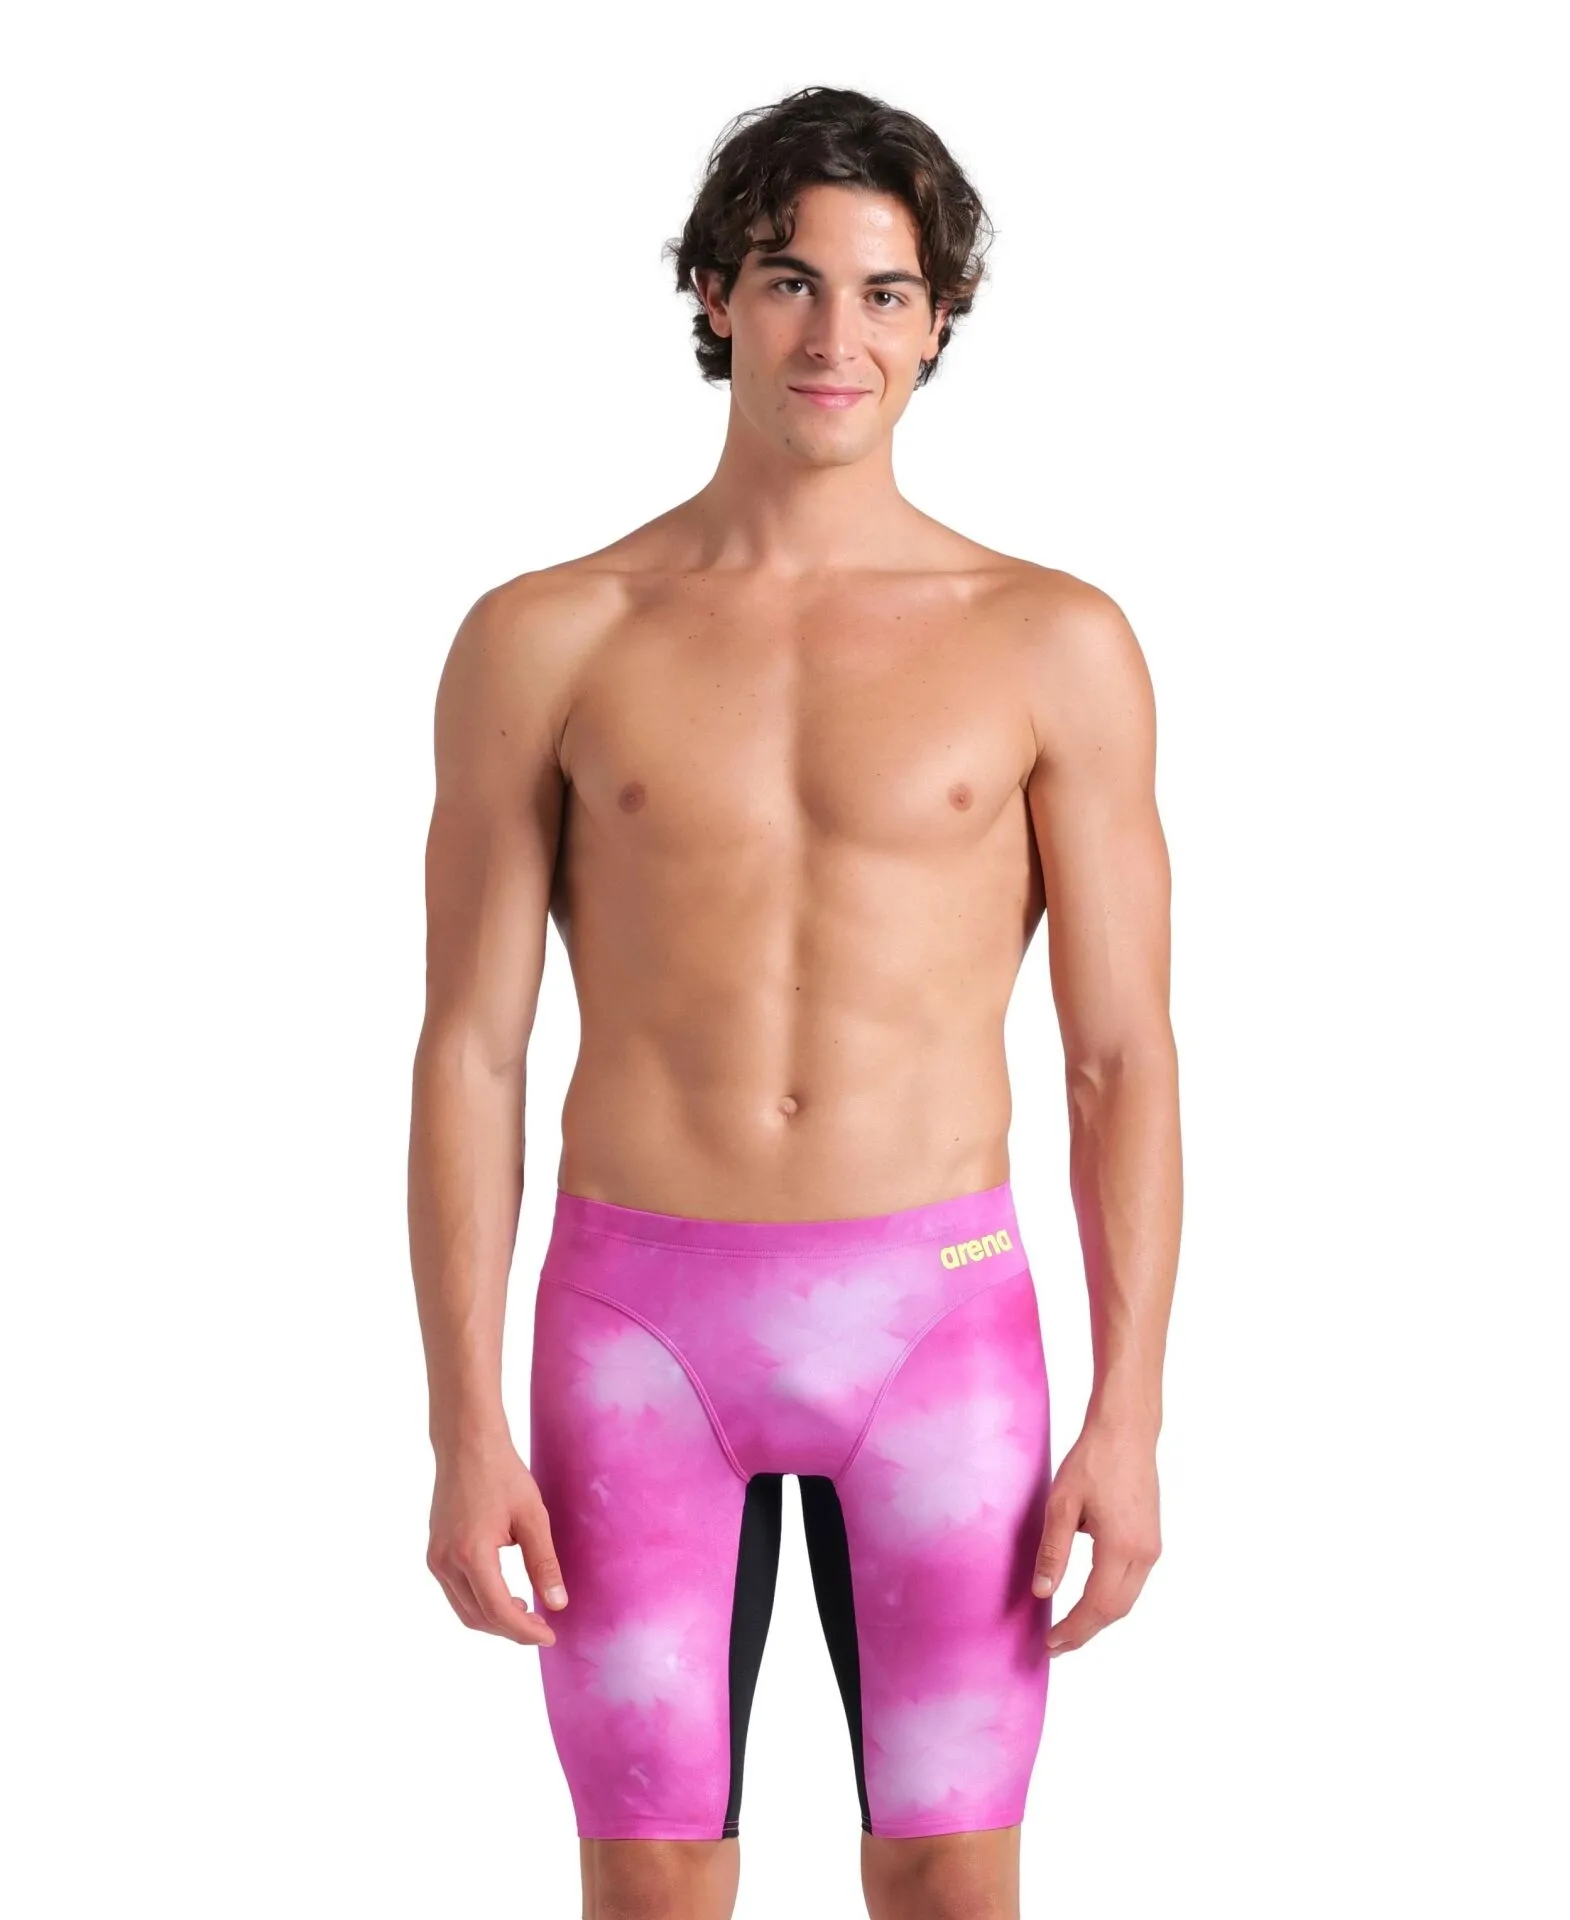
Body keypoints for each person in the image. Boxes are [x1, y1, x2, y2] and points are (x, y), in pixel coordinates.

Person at [407, 83, 1181, 1920]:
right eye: (788, 280)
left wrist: (1131, 1414)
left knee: (948, 1880)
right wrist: (460, 1425)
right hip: (634, 1332)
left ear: (939, 321)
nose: (837, 335)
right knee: (651, 1888)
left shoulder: (1048, 640)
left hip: (940, 1332)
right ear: (712, 296)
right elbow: (472, 1050)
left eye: (885, 292)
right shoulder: (550, 633)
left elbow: (1118, 1058)